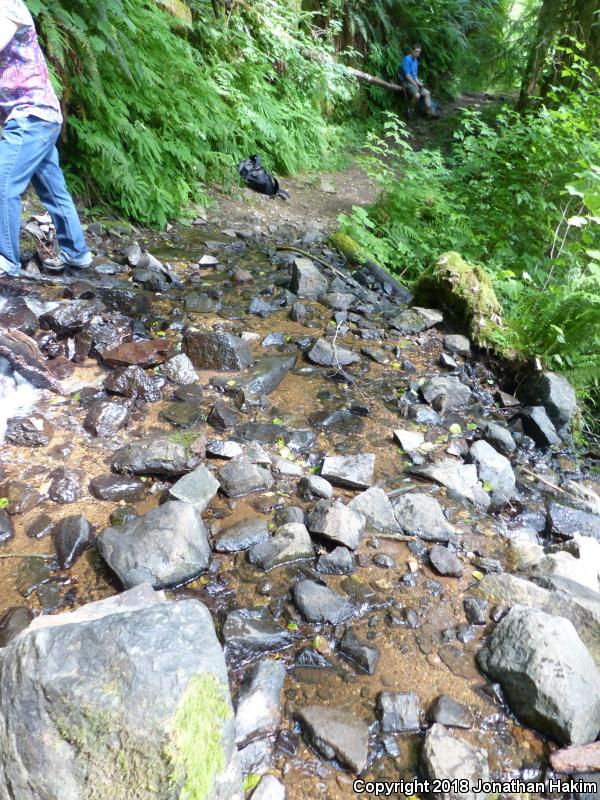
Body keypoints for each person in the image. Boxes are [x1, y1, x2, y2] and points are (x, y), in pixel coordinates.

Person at [0, 0, 92, 276]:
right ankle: (77, 253)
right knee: (53, 190)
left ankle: (6, 259)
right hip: (41, 116)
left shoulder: (9, 7)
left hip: (32, 114)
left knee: (3, 183)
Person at [400, 44, 436, 118]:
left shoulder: (415, 61)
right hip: (406, 82)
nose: (418, 54)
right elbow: (407, 76)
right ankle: (409, 110)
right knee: (417, 96)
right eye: (416, 51)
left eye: (419, 52)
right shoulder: (407, 59)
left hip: (413, 81)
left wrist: (418, 83)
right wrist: (415, 84)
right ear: (412, 51)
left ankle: (428, 112)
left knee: (427, 93)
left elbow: (415, 75)